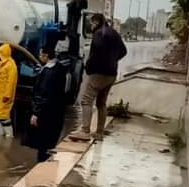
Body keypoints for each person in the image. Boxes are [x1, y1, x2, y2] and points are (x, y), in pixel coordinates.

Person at [69, 13, 126, 141]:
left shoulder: (99, 34)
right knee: (101, 103)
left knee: (86, 100)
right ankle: (99, 133)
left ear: (96, 22)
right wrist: (112, 60)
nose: (91, 26)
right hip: (111, 73)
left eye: (91, 23)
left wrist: (90, 66)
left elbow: (96, 52)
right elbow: (124, 51)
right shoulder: (114, 33)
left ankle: (85, 131)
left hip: (99, 73)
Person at [25, 47, 67, 163]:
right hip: (56, 111)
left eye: (40, 55)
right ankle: (46, 162)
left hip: (45, 112)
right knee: (49, 141)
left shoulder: (48, 73)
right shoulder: (60, 68)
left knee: (42, 143)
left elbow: (42, 94)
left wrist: (36, 113)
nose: (39, 57)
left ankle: (41, 164)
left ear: (46, 56)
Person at [0, 43, 18, 138]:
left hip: (4, 96)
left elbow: (11, 82)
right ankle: (2, 136)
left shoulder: (12, 66)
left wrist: (7, 95)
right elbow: (0, 64)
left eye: (0, 53)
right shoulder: (4, 63)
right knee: (0, 116)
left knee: (4, 115)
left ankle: (9, 136)